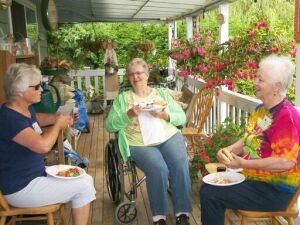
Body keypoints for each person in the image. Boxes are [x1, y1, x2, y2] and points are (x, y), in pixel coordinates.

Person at [200, 54, 300, 225]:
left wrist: (242, 164)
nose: (255, 82)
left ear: (277, 87)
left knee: (210, 194)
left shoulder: (286, 117)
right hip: (254, 179)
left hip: (275, 191)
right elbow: (249, 139)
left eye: (260, 79)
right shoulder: (263, 110)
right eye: (256, 77)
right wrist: (228, 150)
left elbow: (285, 162)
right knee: (208, 187)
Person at [0, 63, 96, 225]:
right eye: (37, 87)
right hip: (21, 188)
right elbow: (43, 146)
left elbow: (37, 119)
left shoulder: (23, 108)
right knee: (83, 187)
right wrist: (58, 124)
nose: (41, 90)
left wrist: (63, 118)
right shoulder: (10, 119)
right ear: (19, 91)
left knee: (86, 179)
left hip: (34, 175)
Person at [105, 58, 192, 225]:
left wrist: (165, 115)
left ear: (147, 74)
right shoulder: (123, 99)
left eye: (139, 73)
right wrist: (128, 114)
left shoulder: (162, 94)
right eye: (131, 74)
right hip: (139, 143)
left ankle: (182, 213)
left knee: (180, 163)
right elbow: (109, 125)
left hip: (168, 137)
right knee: (158, 168)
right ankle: (159, 217)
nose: (135, 77)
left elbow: (181, 117)